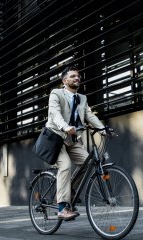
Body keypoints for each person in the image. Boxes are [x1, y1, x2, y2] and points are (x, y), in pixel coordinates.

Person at [45, 66, 105, 220]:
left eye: (78, 76)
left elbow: (89, 115)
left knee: (89, 161)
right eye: (72, 76)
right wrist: (65, 126)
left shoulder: (82, 98)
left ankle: (68, 192)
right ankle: (61, 208)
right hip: (56, 138)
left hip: (71, 140)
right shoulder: (56, 93)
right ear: (64, 81)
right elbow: (55, 113)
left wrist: (104, 129)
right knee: (65, 165)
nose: (77, 78)